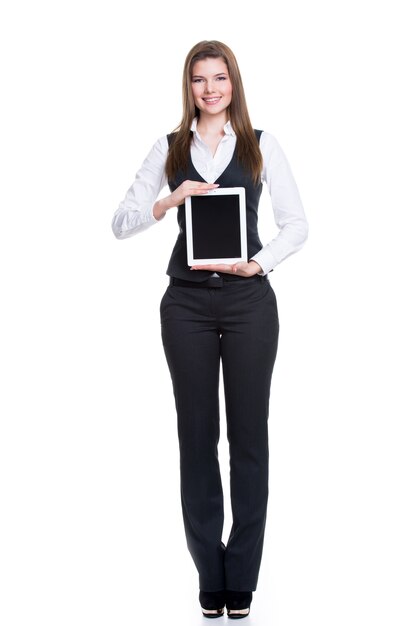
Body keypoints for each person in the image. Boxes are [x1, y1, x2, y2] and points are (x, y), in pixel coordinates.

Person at [112, 40, 308, 619]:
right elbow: (120, 223)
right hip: (187, 308)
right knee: (196, 440)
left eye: (219, 77)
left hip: (249, 302)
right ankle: (210, 574)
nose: (210, 89)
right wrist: (170, 199)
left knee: (249, 441)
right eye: (199, 80)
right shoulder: (169, 148)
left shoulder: (261, 146)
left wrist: (260, 262)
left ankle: (241, 576)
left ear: (233, 83)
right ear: (188, 87)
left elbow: (297, 225)